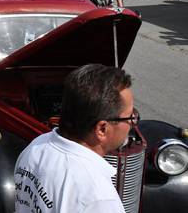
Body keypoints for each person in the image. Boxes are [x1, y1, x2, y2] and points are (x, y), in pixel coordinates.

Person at [14, 64, 136, 213]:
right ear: (102, 129)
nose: (133, 123)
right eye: (130, 117)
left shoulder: (36, 146)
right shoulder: (97, 197)